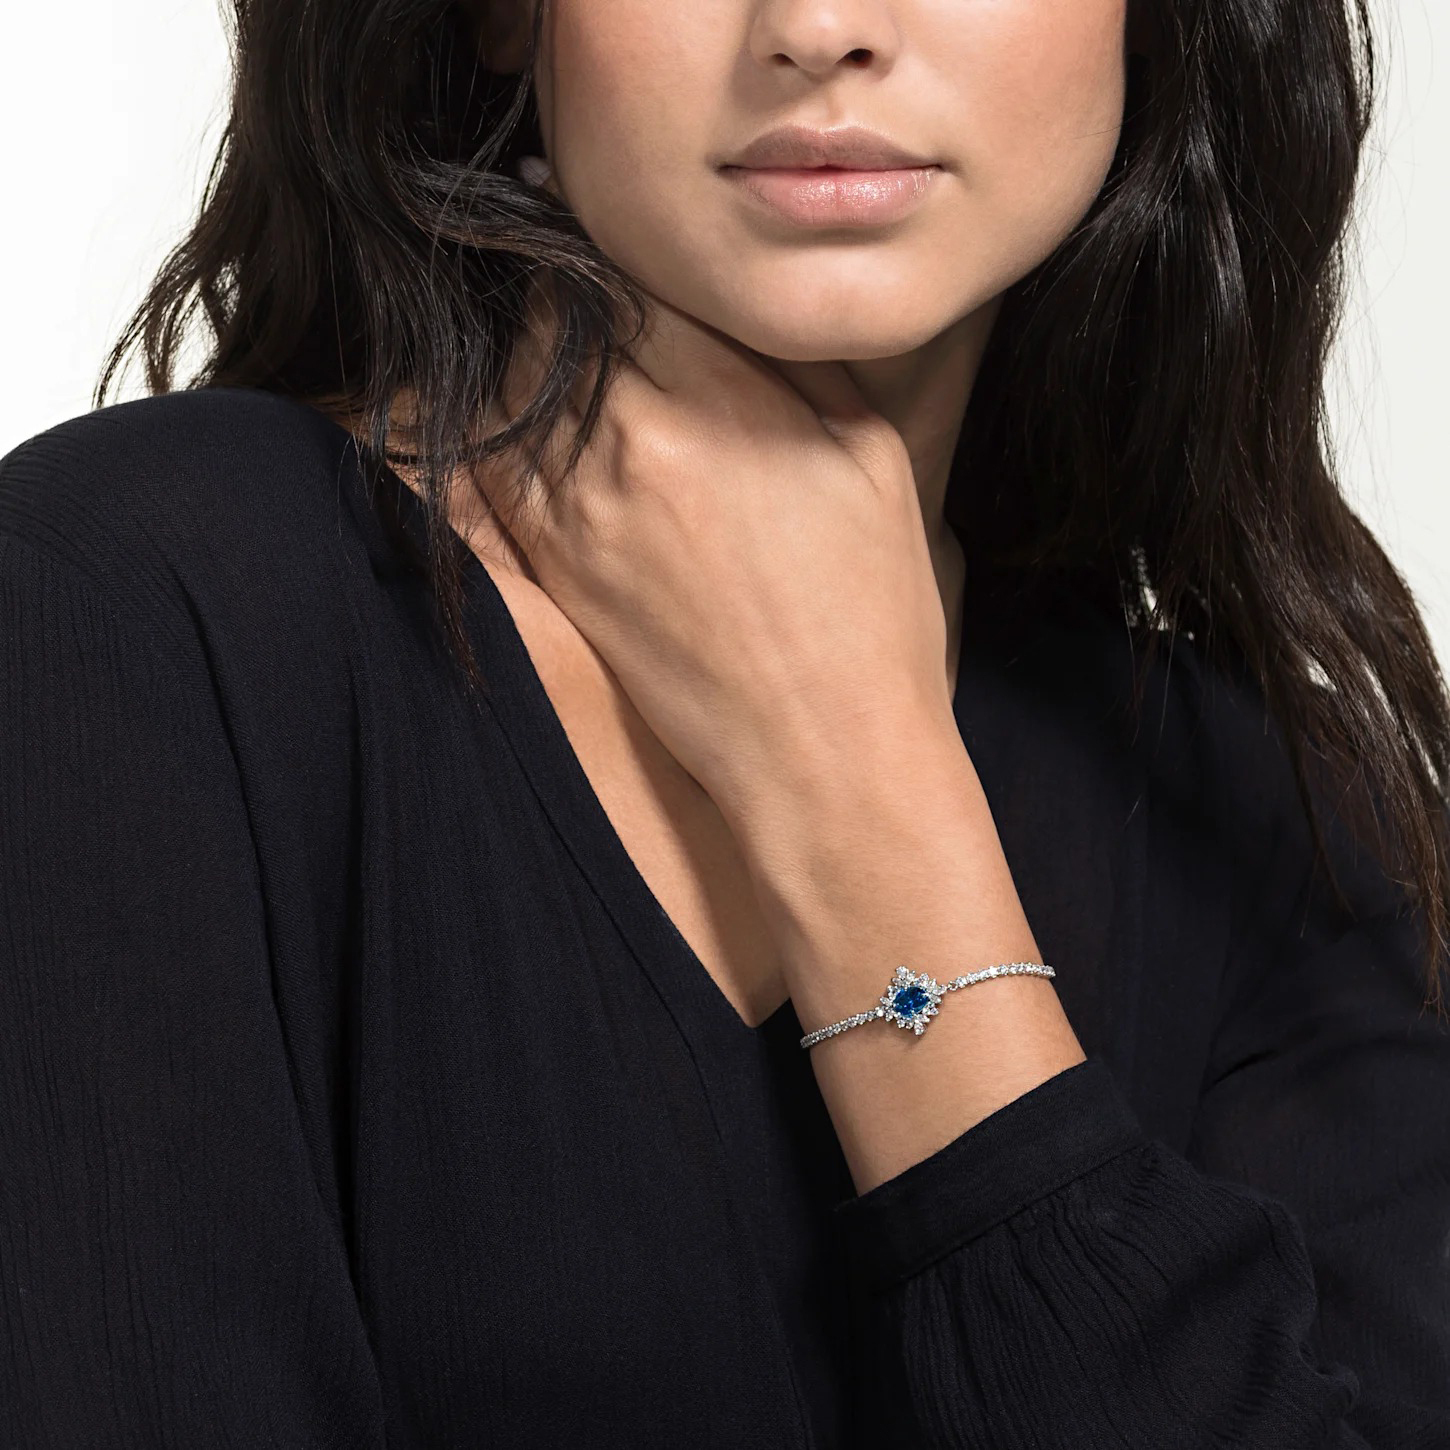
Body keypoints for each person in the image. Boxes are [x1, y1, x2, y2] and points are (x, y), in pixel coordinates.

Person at [3, 0, 1448, 1445]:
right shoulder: (123, 615)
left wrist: (856, 778)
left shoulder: (1276, 816)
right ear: (506, 17)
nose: (821, 27)